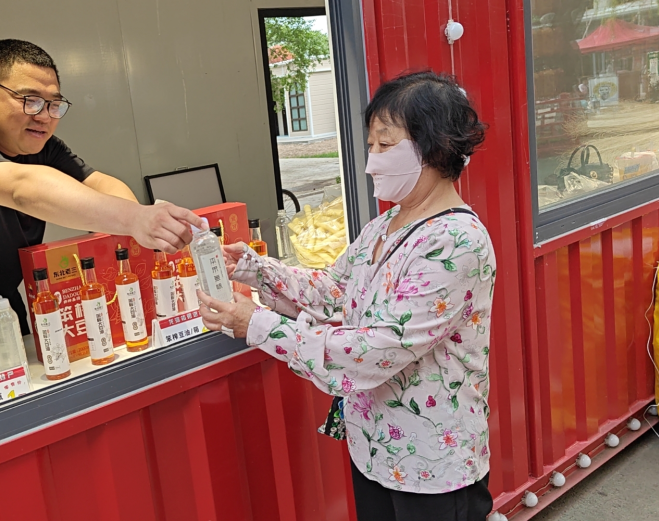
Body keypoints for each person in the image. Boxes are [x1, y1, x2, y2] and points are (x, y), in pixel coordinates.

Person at [197, 71, 497, 520]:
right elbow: (335, 290)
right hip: (375, 449)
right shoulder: (386, 225)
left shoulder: (455, 241)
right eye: (370, 144)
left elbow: (377, 349)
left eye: (385, 144)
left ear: (434, 148)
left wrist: (256, 324)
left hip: (432, 464)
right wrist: (252, 268)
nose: (371, 162)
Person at [0, 39, 201, 334]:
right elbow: (23, 188)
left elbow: (99, 183)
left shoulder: (39, 145)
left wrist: (139, 221)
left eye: (53, 105)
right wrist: (134, 219)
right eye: (30, 100)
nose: (43, 116)